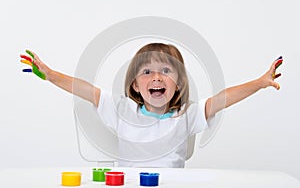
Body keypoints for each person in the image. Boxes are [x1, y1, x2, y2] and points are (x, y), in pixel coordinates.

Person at [20, 43, 282, 168]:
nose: (156, 77)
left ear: (178, 83)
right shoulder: (123, 110)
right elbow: (84, 89)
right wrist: (51, 75)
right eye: (147, 72)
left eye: (166, 71)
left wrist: (259, 83)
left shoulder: (186, 114)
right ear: (135, 85)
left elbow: (224, 98)